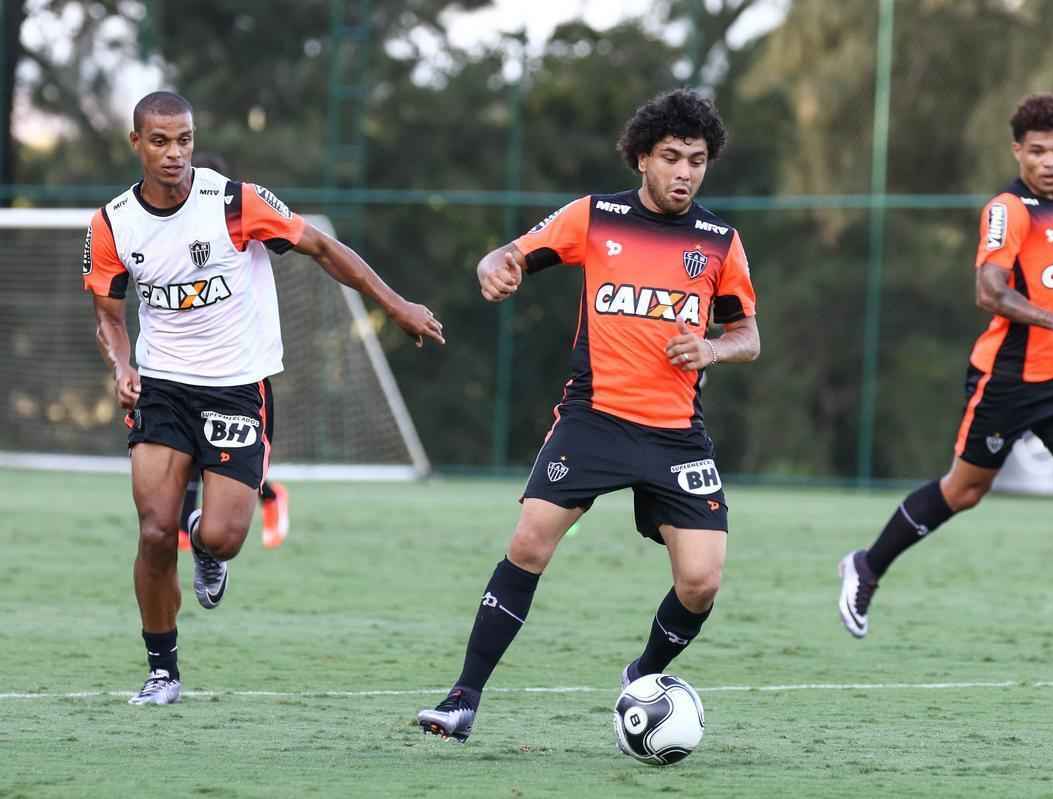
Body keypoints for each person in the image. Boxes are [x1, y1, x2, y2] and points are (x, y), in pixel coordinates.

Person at [417, 88, 760, 743]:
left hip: (677, 435)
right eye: (671, 158)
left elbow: (749, 335)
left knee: (701, 581)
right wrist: (497, 265)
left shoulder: (719, 241)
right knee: (529, 541)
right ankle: (463, 697)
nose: (685, 172)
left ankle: (643, 678)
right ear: (641, 159)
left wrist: (713, 345)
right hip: (593, 420)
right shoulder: (595, 217)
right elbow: (511, 253)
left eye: (697, 160)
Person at [84, 91, 445, 705]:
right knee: (151, 531)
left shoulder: (234, 201)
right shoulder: (113, 223)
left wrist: (397, 305)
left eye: (185, 140)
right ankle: (162, 671)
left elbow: (325, 250)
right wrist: (122, 367)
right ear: (137, 144)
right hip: (164, 386)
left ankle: (206, 545)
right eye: (161, 141)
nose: (175, 154)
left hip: (236, 387)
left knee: (223, 536)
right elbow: (110, 318)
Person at [836, 93, 1053, 659]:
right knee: (963, 492)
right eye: (1036, 151)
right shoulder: (1007, 210)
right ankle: (866, 565)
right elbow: (988, 291)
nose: (1048, 161)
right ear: (1018, 151)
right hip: (1006, 382)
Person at [173, 153, 289, 552]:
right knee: (184, 455)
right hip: (183, 370)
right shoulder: (166, 232)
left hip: (236, 373)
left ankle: (269, 497)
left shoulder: (238, 219)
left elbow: (304, 242)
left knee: (229, 467)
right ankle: (187, 532)